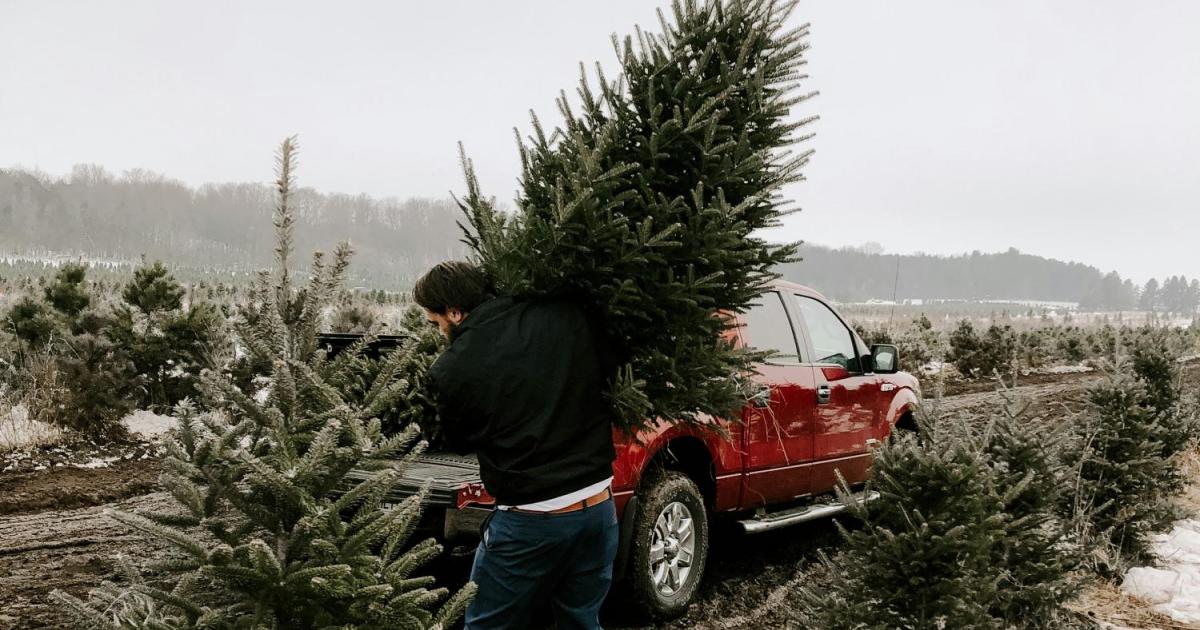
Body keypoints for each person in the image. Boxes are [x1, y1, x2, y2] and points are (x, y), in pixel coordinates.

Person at [413, 261, 618, 630]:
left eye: (436, 321)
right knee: (582, 622)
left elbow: (459, 441)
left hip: (531, 521)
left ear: (455, 312)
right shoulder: (565, 313)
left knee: (487, 625)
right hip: (599, 509)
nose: (438, 331)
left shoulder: (453, 369)